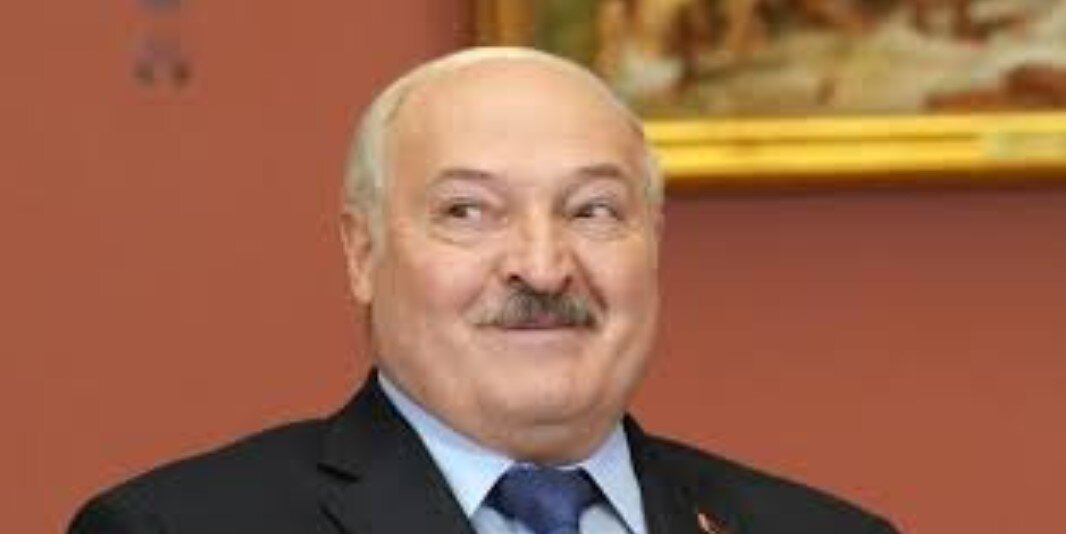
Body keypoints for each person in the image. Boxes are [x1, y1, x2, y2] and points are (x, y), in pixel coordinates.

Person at [69, 47, 898, 534]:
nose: (542, 266)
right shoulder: (177, 529)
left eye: (593, 210)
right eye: (468, 211)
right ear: (363, 252)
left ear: (654, 242)